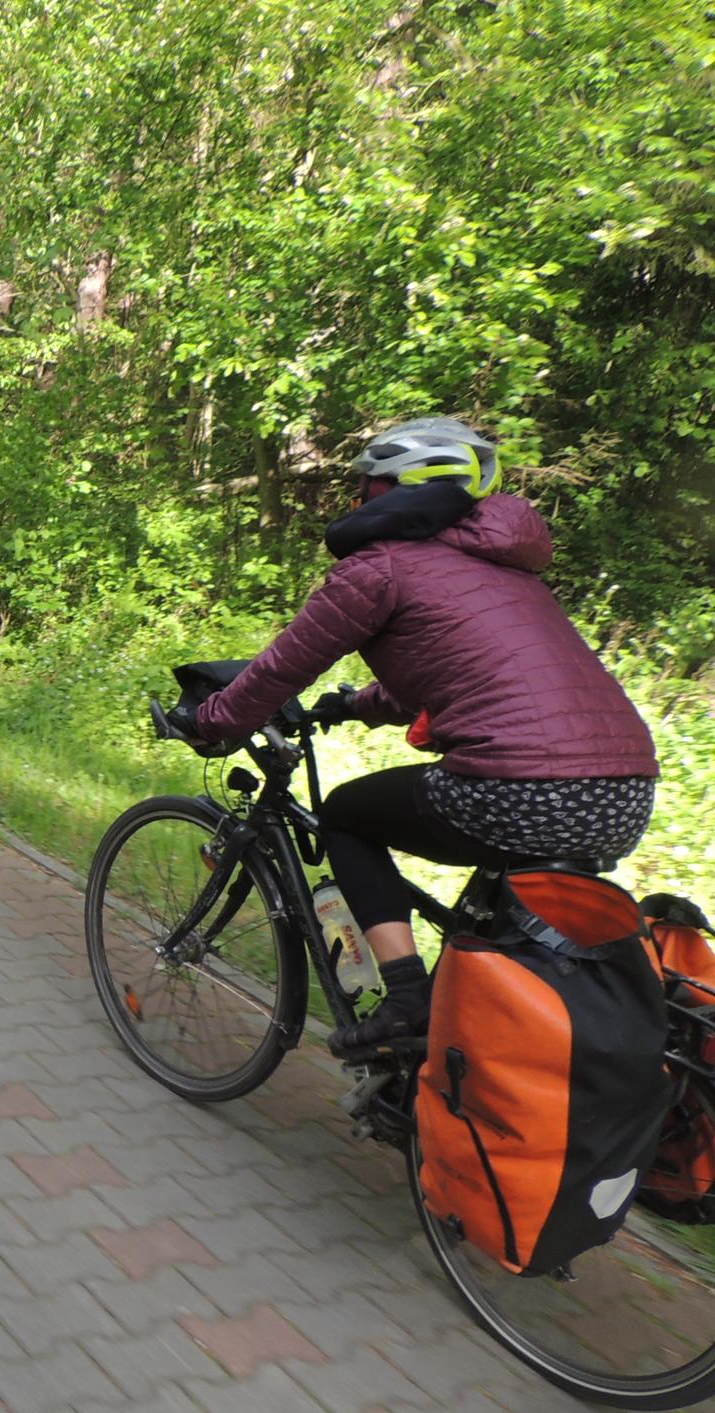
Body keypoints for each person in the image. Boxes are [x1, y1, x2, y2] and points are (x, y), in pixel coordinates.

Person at [164, 418, 659, 1058]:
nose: (354, 500)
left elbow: (281, 668)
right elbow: (455, 672)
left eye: (363, 487)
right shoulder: (506, 571)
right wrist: (353, 706)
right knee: (487, 928)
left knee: (345, 815)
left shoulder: (380, 565)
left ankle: (404, 999)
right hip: (623, 795)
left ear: (394, 491)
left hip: (519, 788)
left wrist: (209, 723)